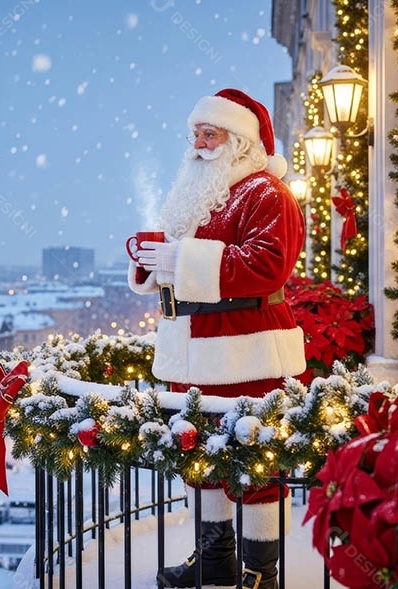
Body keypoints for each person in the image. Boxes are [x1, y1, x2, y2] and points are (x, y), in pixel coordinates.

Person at [129, 88, 305, 589]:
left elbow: (268, 265)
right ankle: (214, 559)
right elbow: (177, 258)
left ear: (241, 141)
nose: (199, 145)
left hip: (244, 350)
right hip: (192, 349)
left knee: (253, 460)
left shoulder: (267, 194)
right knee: (202, 455)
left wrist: (181, 260)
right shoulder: (200, 193)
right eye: (196, 135)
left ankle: (259, 570)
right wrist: (152, 264)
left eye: (211, 134)